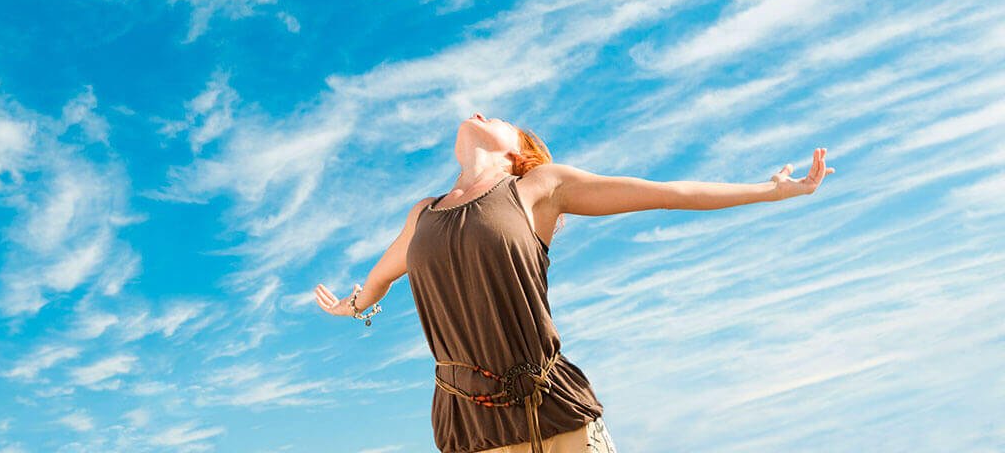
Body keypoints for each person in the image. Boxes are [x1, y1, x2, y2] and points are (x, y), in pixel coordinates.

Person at [315, 113, 834, 453]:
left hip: (555, 411)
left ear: (519, 151)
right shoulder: (422, 216)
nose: (481, 114)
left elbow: (669, 192)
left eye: (498, 118)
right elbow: (378, 280)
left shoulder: (538, 186)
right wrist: (351, 305)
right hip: (469, 424)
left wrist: (772, 191)